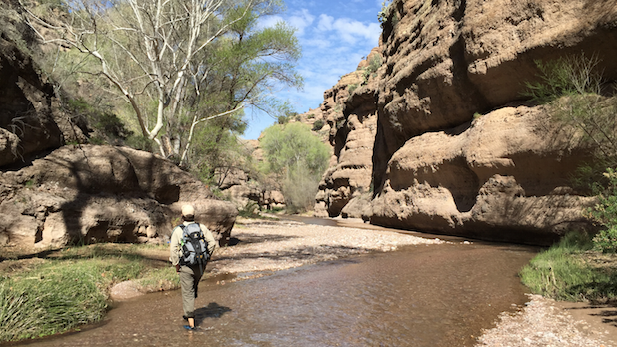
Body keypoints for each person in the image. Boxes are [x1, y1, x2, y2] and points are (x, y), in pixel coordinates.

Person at [169, 204, 216, 330]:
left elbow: (173, 250)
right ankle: (189, 311)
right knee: (193, 287)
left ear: (182, 216)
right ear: (194, 215)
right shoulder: (201, 227)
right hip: (200, 266)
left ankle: (191, 324)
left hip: (186, 266)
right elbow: (212, 243)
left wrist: (176, 265)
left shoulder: (178, 230)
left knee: (187, 293)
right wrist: (206, 257)